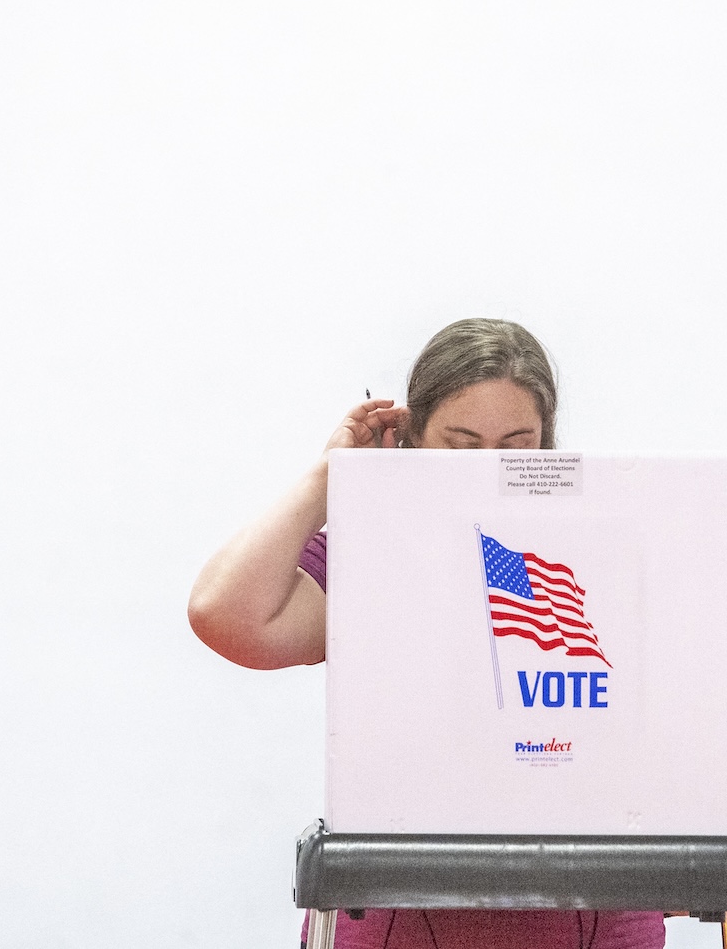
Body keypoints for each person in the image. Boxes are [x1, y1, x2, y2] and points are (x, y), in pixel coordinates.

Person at [188, 318, 666, 949]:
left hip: (592, 915)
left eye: (516, 445)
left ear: (548, 445)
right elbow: (224, 615)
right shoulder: (368, 558)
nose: (488, 468)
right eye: (462, 446)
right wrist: (330, 479)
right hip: (396, 916)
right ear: (411, 441)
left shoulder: (607, 554)